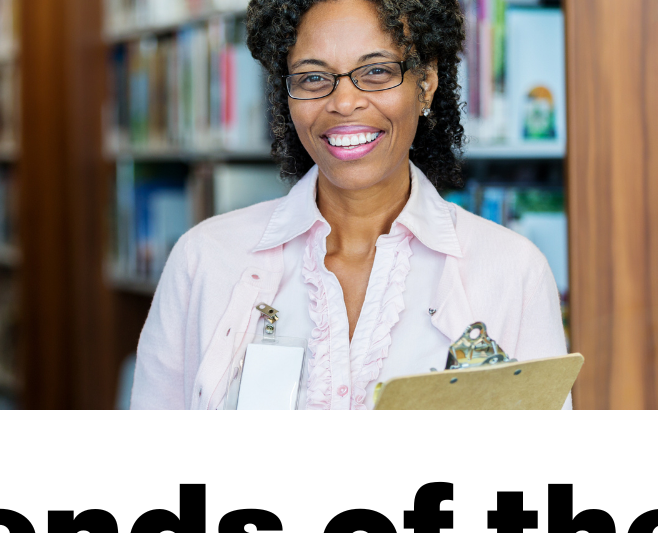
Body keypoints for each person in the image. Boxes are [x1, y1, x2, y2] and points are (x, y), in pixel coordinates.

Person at [130, 0, 568, 410]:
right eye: (314, 77)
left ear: (426, 83)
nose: (343, 103)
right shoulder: (205, 259)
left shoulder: (512, 272)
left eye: (376, 71)